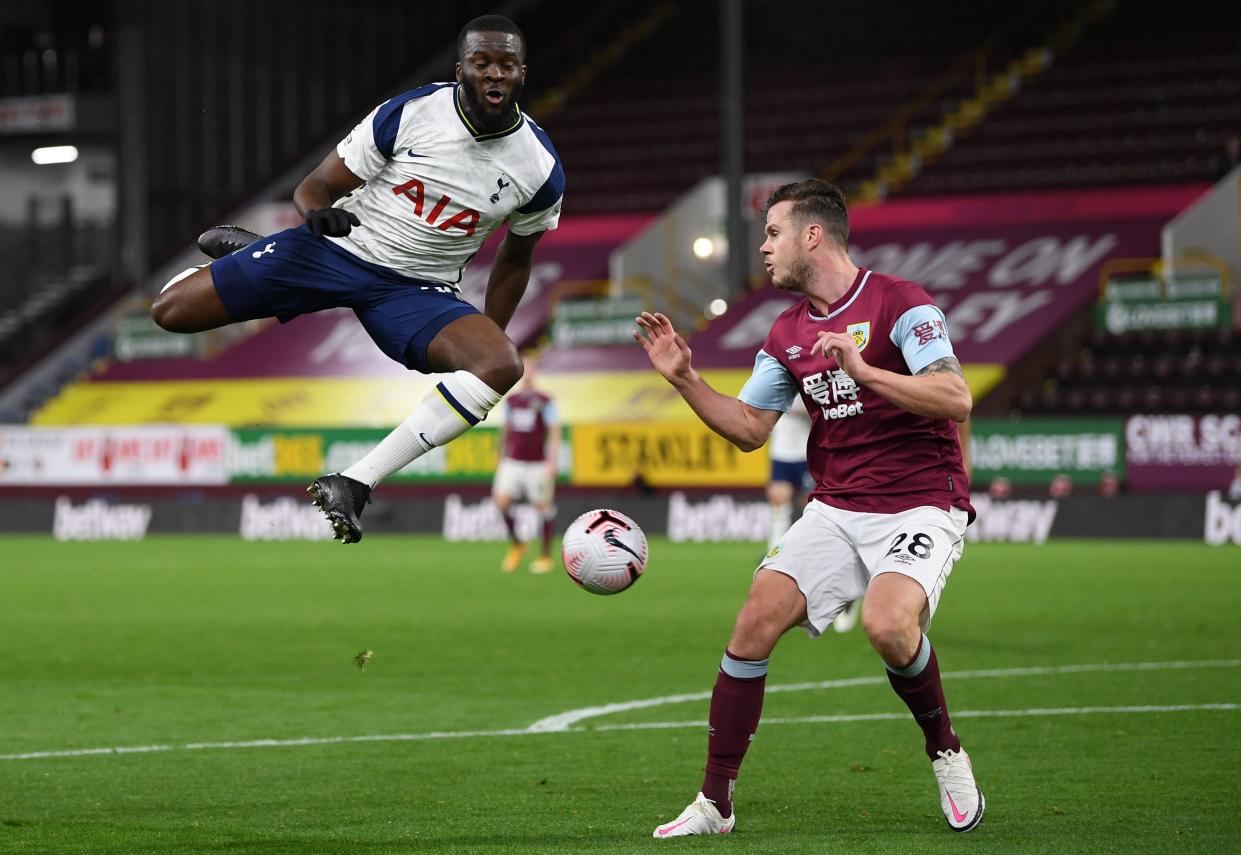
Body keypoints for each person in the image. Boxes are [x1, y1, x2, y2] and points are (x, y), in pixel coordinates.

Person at [634, 178, 982, 838]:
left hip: (919, 504)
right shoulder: (787, 330)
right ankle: (715, 803)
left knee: (886, 625)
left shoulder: (899, 303)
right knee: (753, 620)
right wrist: (683, 377)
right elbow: (746, 427)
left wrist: (866, 371)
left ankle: (944, 748)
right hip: (836, 505)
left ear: (811, 235)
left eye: (771, 233)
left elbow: (954, 396)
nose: (763, 248)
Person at [150, 14, 564, 543]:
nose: (493, 74)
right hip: (336, 249)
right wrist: (315, 214)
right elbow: (317, 184)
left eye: (506, 64)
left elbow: (515, 260)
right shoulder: (412, 113)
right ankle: (256, 255)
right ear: (461, 68)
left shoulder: (539, 167)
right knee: (170, 314)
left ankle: (355, 482)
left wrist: (486, 337)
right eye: (481, 63)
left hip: (416, 289)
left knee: (500, 363)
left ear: (522, 73)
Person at [764, 398, 862, 632]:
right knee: (778, 501)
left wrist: (797, 409)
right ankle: (772, 560)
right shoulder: (774, 365)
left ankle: (848, 589)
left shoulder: (813, 370)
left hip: (809, 449)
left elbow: (826, 407)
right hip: (781, 451)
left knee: (819, 509)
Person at [493, 352, 561, 574]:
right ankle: (518, 545)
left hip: (536, 463)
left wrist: (552, 460)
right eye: (525, 368)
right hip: (513, 461)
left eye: (532, 368)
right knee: (501, 503)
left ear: (536, 372)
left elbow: (554, 431)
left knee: (543, 508)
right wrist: (499, 455)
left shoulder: (545, 401)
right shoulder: (512, 400)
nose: (528, 372)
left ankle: (544, 556)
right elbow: (505, 429)